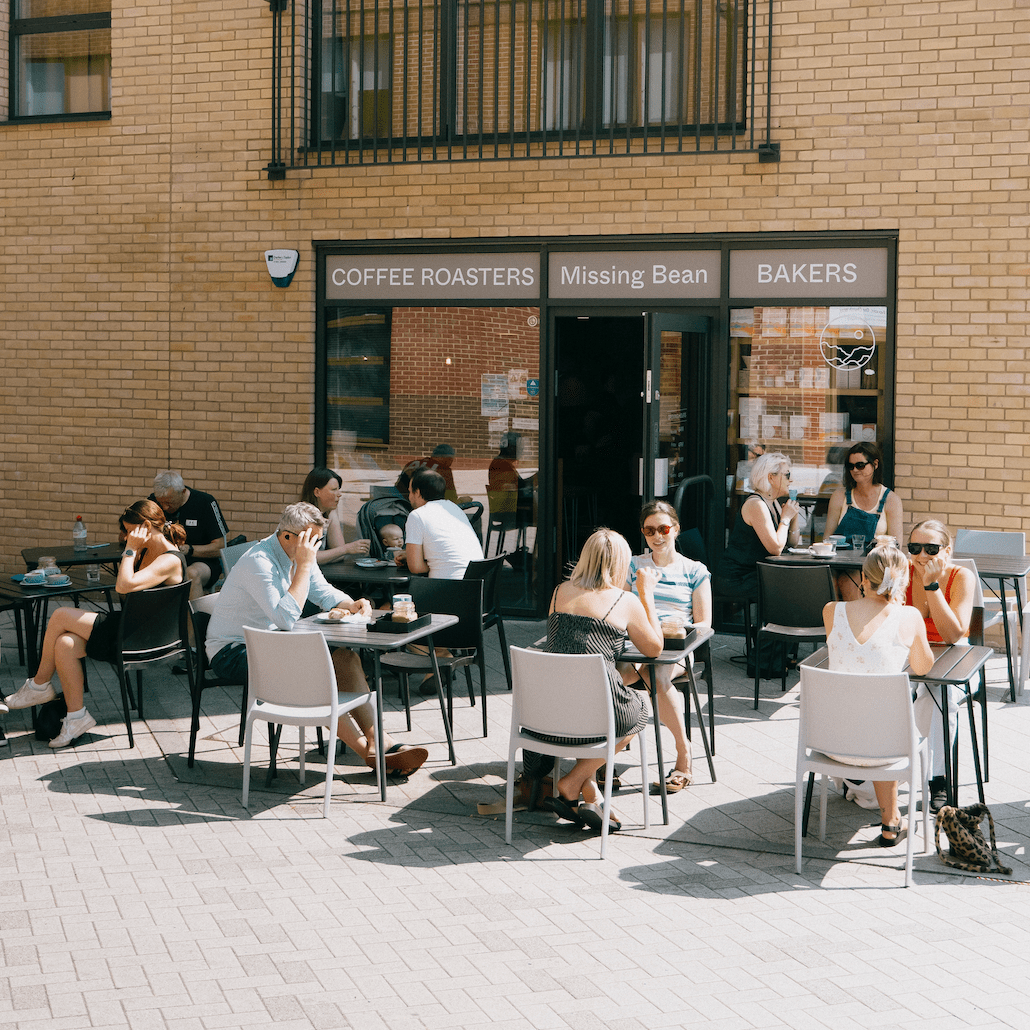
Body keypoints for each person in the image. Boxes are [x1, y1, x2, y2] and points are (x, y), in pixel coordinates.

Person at [206, 502, 427, 774]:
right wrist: (302, 567)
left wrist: (351, 603)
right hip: (233, 652)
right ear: (288, 536)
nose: (317, 547)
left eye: (319, 539)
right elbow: (285, 618)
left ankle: (380, 741)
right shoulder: (258, 562)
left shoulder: (301, 554)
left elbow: (321, 591)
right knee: (315, 672)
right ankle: (367, 753)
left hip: (275, 645)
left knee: (346, 657)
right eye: (312, 540)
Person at [3, 501, 188, 748]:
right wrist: (134, 549)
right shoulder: (147, 551)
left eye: (129, 530)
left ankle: (39, 685)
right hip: (130, 627)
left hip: (142, 639)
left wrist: (130, 550)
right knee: (65, 643)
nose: (125, 536)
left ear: (145, 526)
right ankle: (76, 717)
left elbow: (122, 586)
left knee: (59, 616)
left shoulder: (169, 559)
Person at [535, 528, 663, 833]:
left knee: (593, 703)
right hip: (592, 710)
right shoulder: (624, 600)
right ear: (622, 564)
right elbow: (655, 648)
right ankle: (571, 782)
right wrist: (646, 595)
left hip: (548, 712)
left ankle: (590, 794)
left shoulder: (558, 592)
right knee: (639, 710)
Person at [822, 544, 934, 845]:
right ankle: (891, 821)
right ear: (903, 582)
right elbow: (923, 668)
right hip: (885, 749)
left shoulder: (832, 611)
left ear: (863, 577)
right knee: (888, 720)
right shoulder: (908, 617)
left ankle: (891, 819)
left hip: (831, 742)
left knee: (873, 716)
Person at [618, 501, 712, 795]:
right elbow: (620, 607)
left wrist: (674, 629)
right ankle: (606, 752)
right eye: (649, 530)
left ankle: (683, 753)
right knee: (614, 679)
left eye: (663, 528)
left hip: (675, 647)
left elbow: (704, 622)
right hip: (635, 644)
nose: (657, 536)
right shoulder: (633, 565)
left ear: (676, 529)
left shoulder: (694, 570)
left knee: (656, 677)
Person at [904, 518, 976, 812]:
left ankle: (938, 778)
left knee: (939, 696)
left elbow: (953, 634)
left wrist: (931, 587)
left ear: (948, 550)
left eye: (931, 548)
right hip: (913, 655)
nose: (922, 555)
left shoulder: (961, 577)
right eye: (915, 547)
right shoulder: (904, 573)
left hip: (954, 656)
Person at [719, 452, 802, 675]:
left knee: (792, 587)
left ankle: (780, 655)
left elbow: (791, 542)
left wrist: (792, 518)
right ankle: (765, 662)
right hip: (735, 576)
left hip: (754, 573)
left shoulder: (773, 503)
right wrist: (784, 519)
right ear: (771, 477)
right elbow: (775, 547)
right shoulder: (756, 504)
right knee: (781, 590)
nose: (790, 479)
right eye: (787, 474)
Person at [823, 442, 905, 599]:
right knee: (827, 581)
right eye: (851, 466)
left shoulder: (890, 499)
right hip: (839, 562)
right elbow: (827, 539)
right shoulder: (840, 496)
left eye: (860, 465)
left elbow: (896, 547)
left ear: (875, 464)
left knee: (849, 580)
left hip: (874, 566)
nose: (854, 470)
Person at [150, 470, 229, 601]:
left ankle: (193, 620)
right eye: (161, 502)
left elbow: (220, 547)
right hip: (165, 561)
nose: (164, 507)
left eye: (169, 502)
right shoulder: (153, 502)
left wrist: (189, 549)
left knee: (192, 574)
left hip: (201, 561)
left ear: (182, 491)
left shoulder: (205, 502)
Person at [398, 468, 483, 579]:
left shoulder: (417, 515)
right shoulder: (454, 509)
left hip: (446, 587)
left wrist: (436, 564)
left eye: (410, 492)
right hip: (475, 585)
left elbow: (416, 567)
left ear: (417, 492)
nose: (409, 497)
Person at [300, 467, 370, 563]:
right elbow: (307, 557)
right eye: (333, 489)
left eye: (338, 489)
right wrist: (347, 549)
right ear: (317, 492)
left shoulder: (329, 512)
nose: (339, 494)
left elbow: (339, 553)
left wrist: (353, 549)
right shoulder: (301, 516)